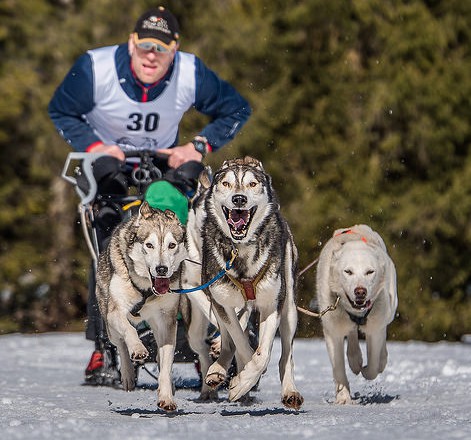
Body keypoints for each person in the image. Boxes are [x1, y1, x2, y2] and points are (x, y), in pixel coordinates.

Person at [48, 6, 251, 385]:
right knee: (109, 236)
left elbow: (237, 109)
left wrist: (200, 145)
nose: (151, 57)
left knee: (180, 236)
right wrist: (93, 145)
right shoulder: (96, 67)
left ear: (174, 49)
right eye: (144, 47)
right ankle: (105, 345)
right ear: (131, 43)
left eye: (161, 49)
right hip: (107, 159)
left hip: (164, 161)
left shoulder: (191, 72)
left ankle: (200, 337)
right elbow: (61, 110)